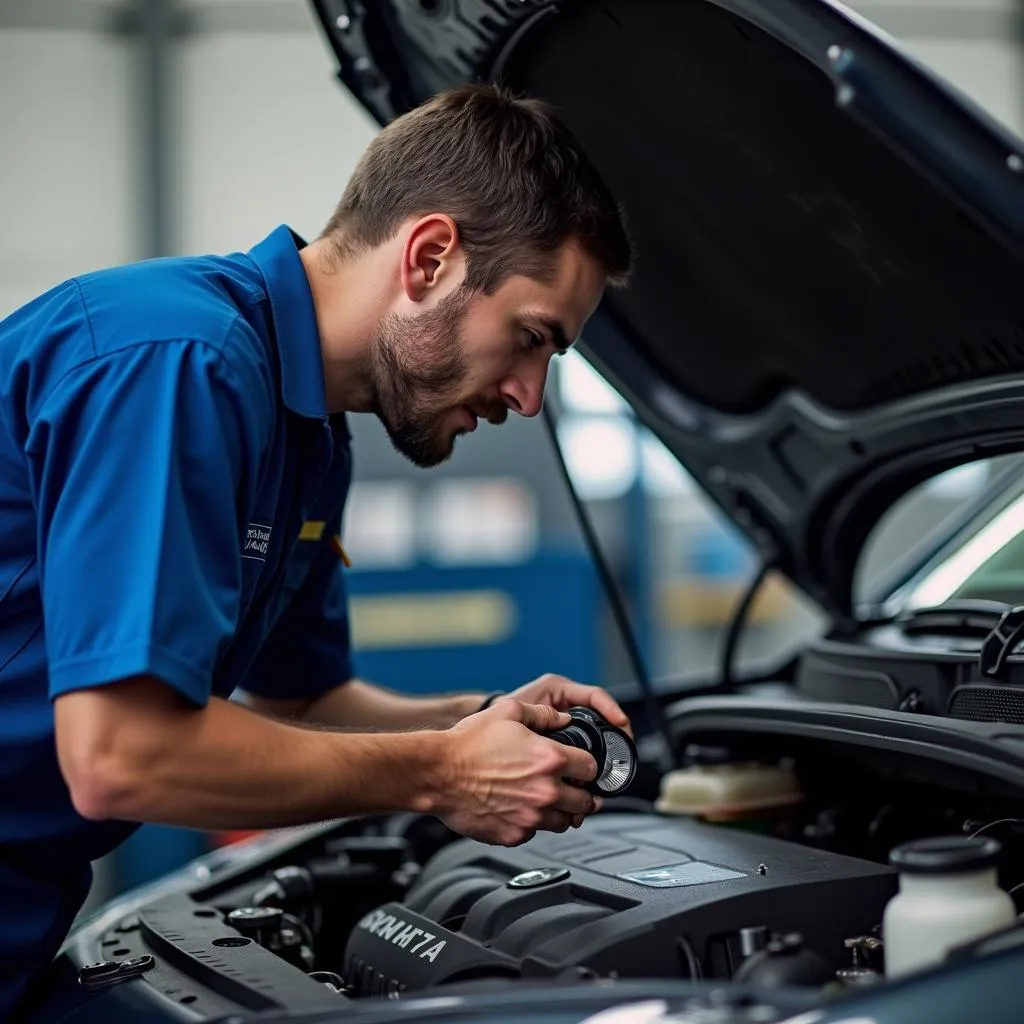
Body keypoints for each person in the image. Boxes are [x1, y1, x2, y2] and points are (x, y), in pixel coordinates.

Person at [0, 82, 634, 1017]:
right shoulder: (179, 361)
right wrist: (444, 772)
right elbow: (122, 755)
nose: (530, 396)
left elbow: (304, 700)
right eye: (530, 338)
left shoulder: (311, 434)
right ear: (429, 258)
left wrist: (486, 720)